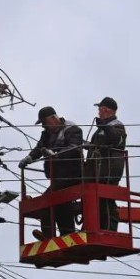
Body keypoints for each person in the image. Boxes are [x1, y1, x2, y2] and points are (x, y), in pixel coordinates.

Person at [19, 106, 84, 240]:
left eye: (44, 122)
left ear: (54, 119)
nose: (44, 126)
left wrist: (56, 154)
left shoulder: (72, 130)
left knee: (47, 202)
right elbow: (40, 147)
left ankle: (49, 235)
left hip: (71, 176)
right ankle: (67, 234)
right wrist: (30, 157)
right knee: (61, 205)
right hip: (58, 177)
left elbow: (74, 148)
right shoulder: (47, 133)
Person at [84, 96, 127, 232]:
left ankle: (109, 231)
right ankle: (93, 228)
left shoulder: (117, 126)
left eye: (100, 109)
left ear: (106, 110)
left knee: (106, 202)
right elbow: (100, 145)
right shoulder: (102, 128)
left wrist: (104, 127)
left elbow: (116, 140)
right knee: (96, 203)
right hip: (97, 172)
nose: (98, 112)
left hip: (108, 171)